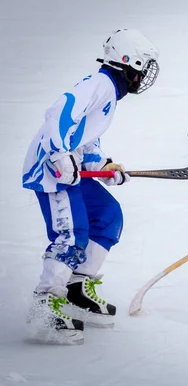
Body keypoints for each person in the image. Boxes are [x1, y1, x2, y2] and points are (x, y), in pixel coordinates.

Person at [22, 29, 160, 344]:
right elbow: (59, 113)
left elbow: (86, 138)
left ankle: (73, 291)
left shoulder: (109, 92)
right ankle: (44, 306)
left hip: (68, 168)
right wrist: (58, 154)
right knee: (72, 234)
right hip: (51, 170)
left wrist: (102, 167)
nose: (145, 75)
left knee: (108, 215)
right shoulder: (98, 85)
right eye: (145, 66)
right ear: (130, 63)